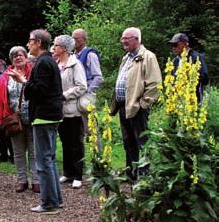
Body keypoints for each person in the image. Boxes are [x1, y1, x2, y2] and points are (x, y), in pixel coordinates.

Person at [10, 29, 63, 214]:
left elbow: (38, 91)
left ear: (39, 42)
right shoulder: (49, 61)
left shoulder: (42, 63)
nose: (28, 44)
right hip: (51, 115)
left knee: (43, 161)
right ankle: (56, 199)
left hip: (43, 116)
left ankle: (49, 203)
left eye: (30, 41)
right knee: (50, 159)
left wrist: (23, 81)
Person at [111, 27, 162, 180]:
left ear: (137, 39)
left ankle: (145, 176)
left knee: (142, 142)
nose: (123, 41)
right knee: (128, 142)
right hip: (123, 106)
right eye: (122, 38)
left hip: (137, 107)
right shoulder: (126, 58)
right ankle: (131, 173)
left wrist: (143, 104)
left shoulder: (148, 57)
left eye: (126, 38)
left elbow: (154, 84)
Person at [0, 46, 39, 193]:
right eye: (14, 56)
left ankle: (36, 180)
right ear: (11, 60)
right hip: (14, 118)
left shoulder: (33, 72)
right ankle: (22, 180)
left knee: (34, 152)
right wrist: (2, 117)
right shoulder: (5, 76)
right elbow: (1, 99)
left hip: (32, 117)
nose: (18, 58)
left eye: (20, 55)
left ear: (26, 57)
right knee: (18, 152)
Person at [53, 35, 87, 189]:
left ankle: (78, 175)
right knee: (65, 142)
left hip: (73, 110)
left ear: (65, 48)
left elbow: (82, 86)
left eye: (56, 45)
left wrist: (65, 95)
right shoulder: (56, 64)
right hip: (60, 111)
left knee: (75, 143)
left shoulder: (75, 64)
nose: (54, 48)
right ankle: (67, 173)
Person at [72, 29, 104, 136]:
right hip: (75, 96)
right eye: (72, 38)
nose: (74, 40)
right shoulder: (73, 56)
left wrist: (88, 92)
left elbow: (98, 77)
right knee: (79, 130)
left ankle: (97, 152)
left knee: (91, 128)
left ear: (84, 40)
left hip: (85, 96)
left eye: (76, 38)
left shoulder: (90, 55)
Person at [168, 33, 209, 103]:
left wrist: (188, 82)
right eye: (172, 45)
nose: (173, 48)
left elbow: (205, 78)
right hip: (179, 101)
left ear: (185, 44)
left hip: (194, 100)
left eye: (175, 45)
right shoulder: (175, 61)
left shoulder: (196, 57)